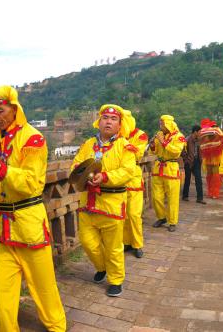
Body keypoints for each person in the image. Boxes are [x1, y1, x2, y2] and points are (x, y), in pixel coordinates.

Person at [0, 85, 66, 331]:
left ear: (14, 109)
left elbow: (33, 183)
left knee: (43, 286)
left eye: (0, 111)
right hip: (1, 230)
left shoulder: (33, 138)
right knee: (2, 293)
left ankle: (57, 326)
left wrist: (2, 169)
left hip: (28, 225)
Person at [72, 104, 136, 297]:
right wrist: (82, 173)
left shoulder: (125, 146)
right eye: (105, 118)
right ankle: (101, 266)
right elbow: (76, 163)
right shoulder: (88, 144)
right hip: (87, 204)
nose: (108, 121)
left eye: (113, 119)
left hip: (111, 204)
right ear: (99, 122)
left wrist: (105, 177)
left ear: (119, 125)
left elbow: (128, 171)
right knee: (87, 242)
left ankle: (116, 279)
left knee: (114, 247)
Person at [151, 115, 186, 232]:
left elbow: (176, 151)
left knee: (172, 197)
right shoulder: (159, 134)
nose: (160, 126)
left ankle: (172, 222)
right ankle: (161, 217)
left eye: (162, 124)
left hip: (171, 168)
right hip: (158, 168)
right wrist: (152, 145)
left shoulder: (179, 137)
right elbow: (155, 150)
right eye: (160, 124)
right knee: (156, 197)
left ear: (168, 124)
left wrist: (163, 142)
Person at [123, 111, 149, 258]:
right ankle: (126, 242)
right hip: (119, 180)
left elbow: (137, 153)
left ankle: (137, 244)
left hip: (133, 177)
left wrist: (123, 145)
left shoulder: (140, 135)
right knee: (123, 214)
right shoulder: (118, 136)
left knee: (134, 214)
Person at [199, 119, 223, 199]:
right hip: (208, 157)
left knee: (215, 175)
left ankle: (215, 192)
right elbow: (202, 144)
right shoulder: (205, 135)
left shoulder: (218, 133)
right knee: (209, 175)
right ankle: (210, 192)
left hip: (216, 157)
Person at [182, 125, 205, 204]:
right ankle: (185, 196)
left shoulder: (198, 140)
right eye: (199, 132)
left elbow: (199, 150)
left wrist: (200, 159)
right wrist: (186, 160)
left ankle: (200, 198)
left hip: (196, 161)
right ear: (195, 132)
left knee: (199, 179)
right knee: (187, 179)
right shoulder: (187, 139)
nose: (200, 133)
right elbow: (183, 151)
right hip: (189, 162)